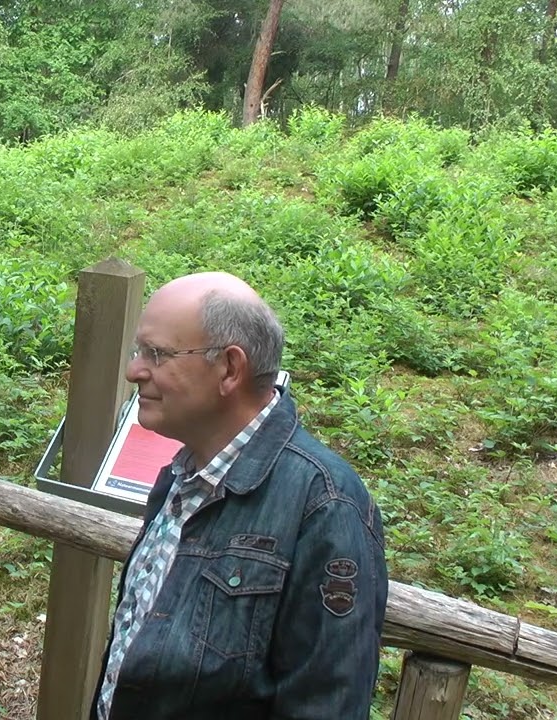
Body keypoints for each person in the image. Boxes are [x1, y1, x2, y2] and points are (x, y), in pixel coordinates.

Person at [91, 272, 388, 720]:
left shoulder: (325, 506)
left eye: (157, 354)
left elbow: (326, 704)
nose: (134, 370)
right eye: (139, 351)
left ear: (230, 368)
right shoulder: (183, 474)